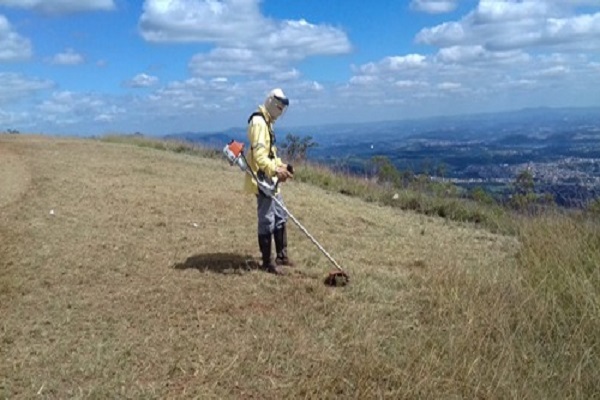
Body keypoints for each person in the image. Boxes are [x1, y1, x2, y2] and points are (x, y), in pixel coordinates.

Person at [244, 88, 294, 275]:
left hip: (271, 178)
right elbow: (259, 157)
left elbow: (270, 155)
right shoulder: (258, 123)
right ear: (272, 103)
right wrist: (275, 170)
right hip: (262, 179)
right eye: (279, 107)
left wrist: (283, 166)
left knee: (280, 215)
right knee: (267, 220)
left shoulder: (267, 122)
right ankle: (267, 263)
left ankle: (282, 256)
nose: (281, 112)